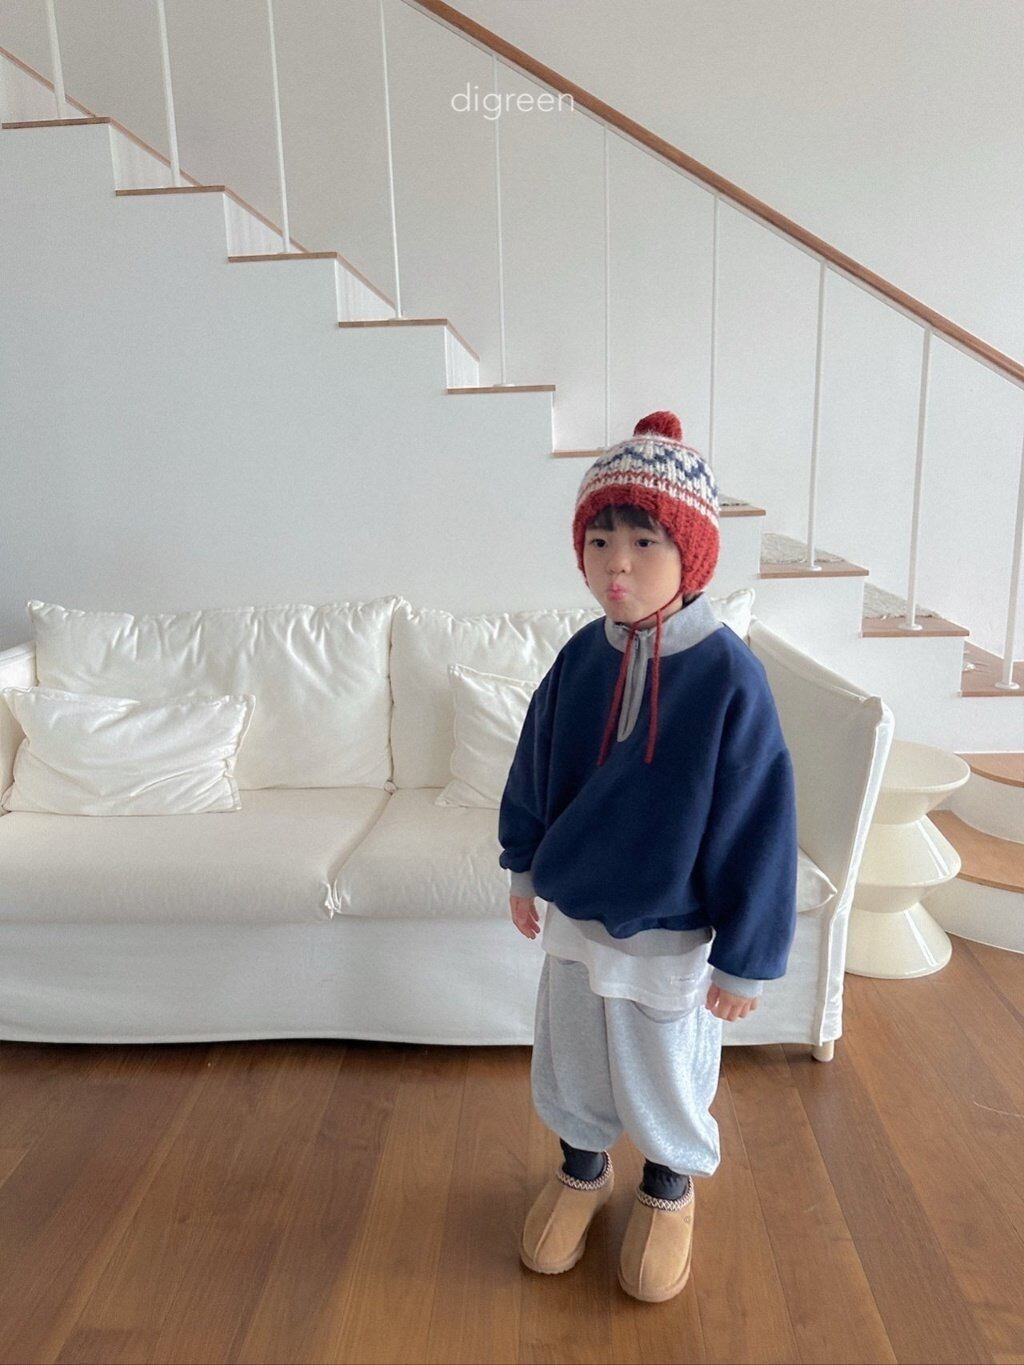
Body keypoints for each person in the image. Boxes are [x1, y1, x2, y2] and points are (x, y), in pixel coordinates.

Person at [498, 409, 798, 1303]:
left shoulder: (730, 678)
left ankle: (668, 1185)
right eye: (599, 541)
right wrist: (523, 866)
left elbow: (760, 822)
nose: (615, 564)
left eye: (641, 541)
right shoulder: (579, 658)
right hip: (577, 915)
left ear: (690, 555)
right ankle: (582, 1168)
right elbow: (534, 769)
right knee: (574, 1052)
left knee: (663, 1064)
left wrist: (746, 957)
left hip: (671, 927)